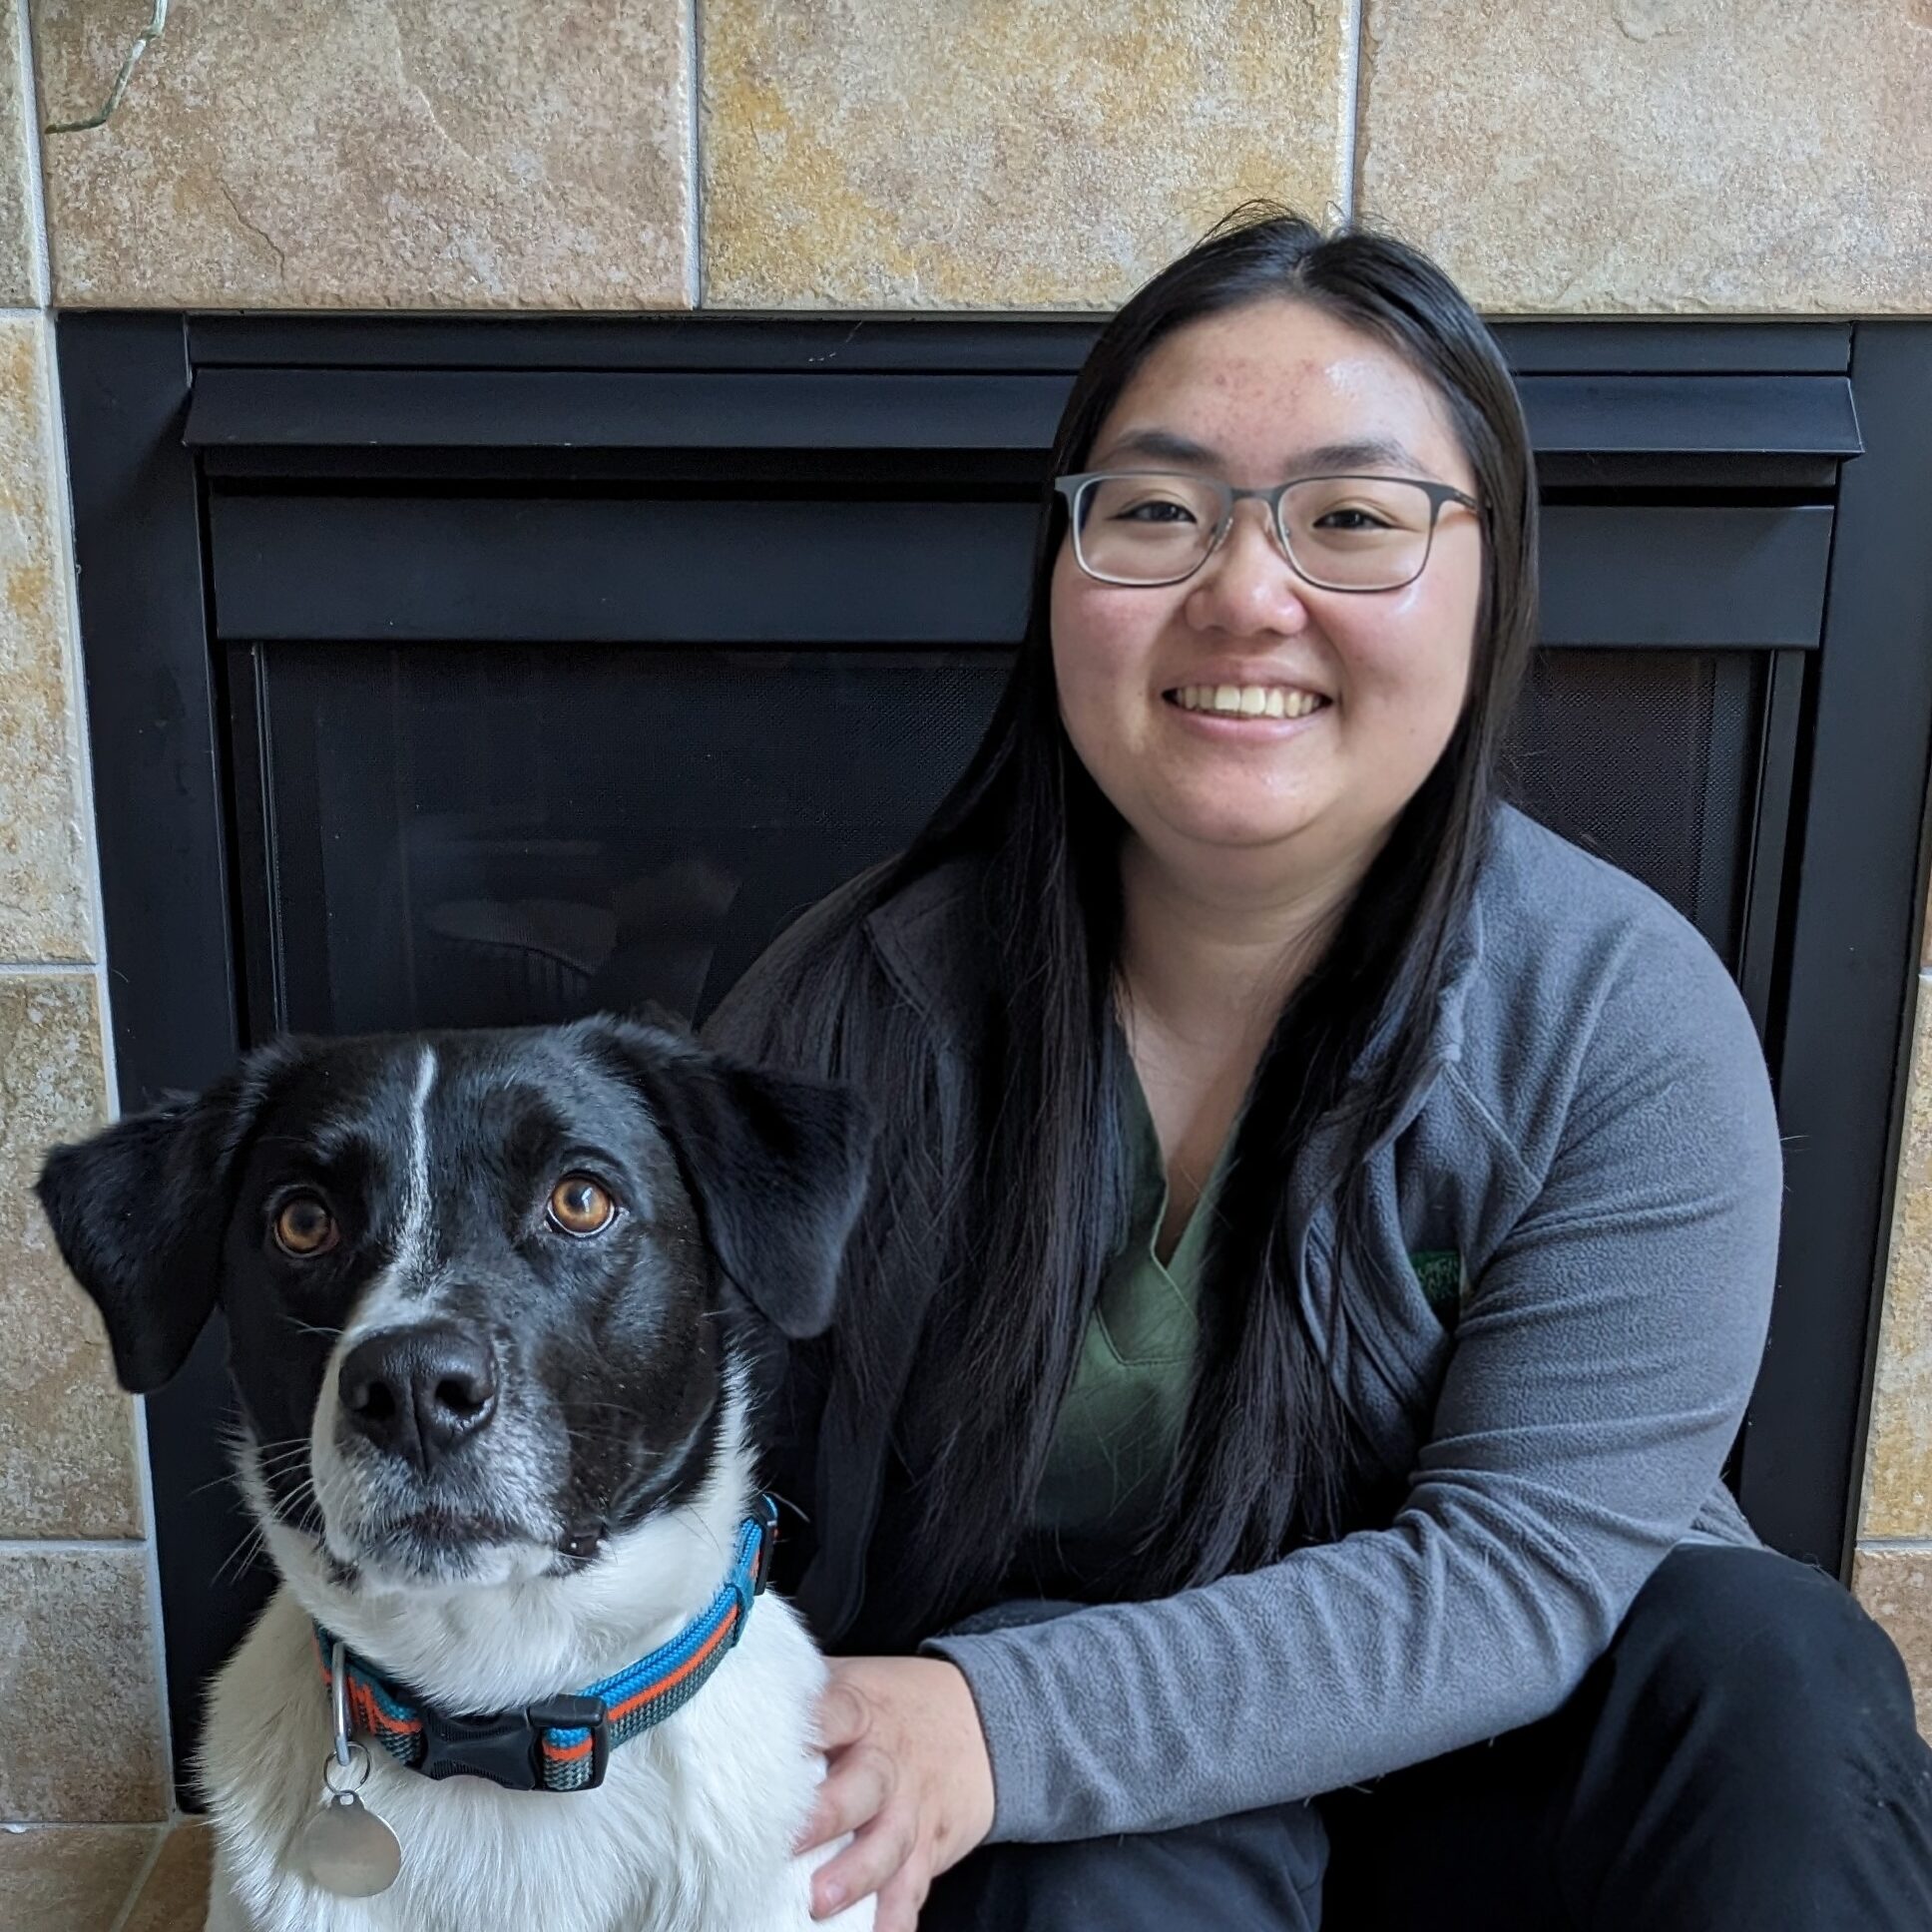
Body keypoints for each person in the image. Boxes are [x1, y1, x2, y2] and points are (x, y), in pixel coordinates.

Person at [704, 206, 1932, 1931]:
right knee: (1083, 1849)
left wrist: (1001, 1718)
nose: (1246, 595)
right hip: (1097, 1829)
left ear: (1490, 576)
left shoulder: (1623, 1020)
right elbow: (685, 1478)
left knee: (1776, 1669)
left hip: (1516, 1793)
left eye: (1350, 520)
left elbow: (1525, 1567)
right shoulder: (843, 1011)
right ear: (1064, 572)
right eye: (1155, 512)